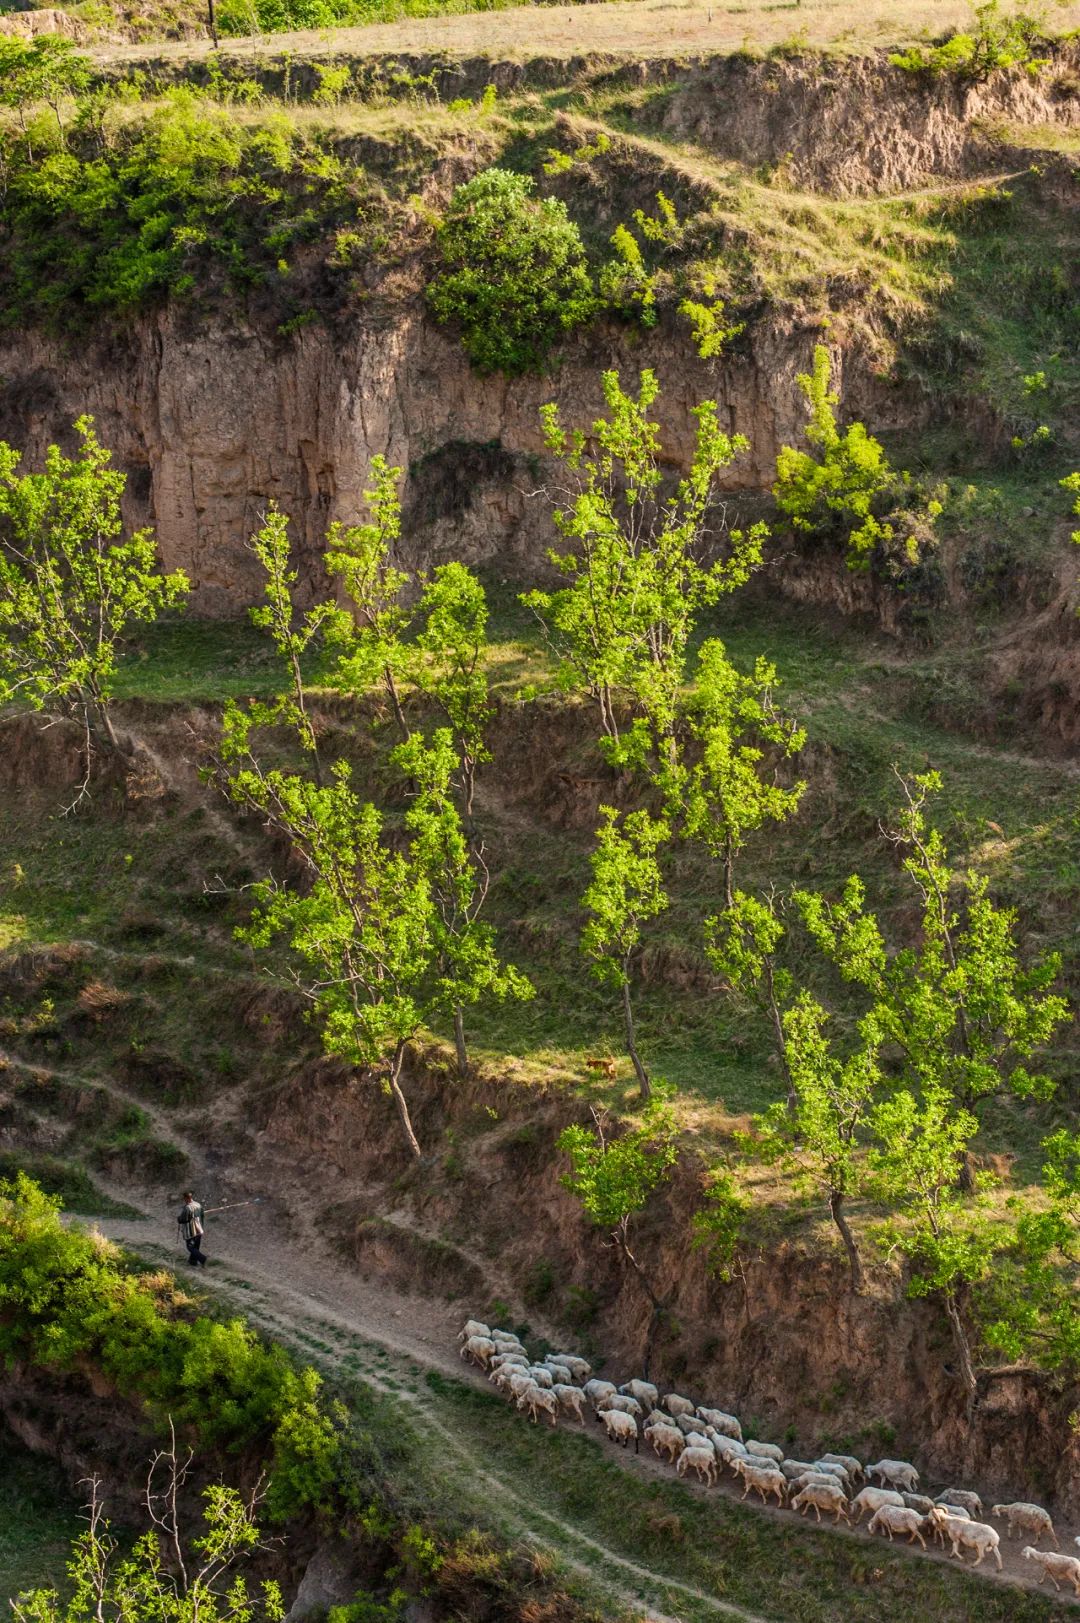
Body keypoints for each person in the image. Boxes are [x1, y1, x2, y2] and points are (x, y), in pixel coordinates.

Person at [178, 1190, 207, 1267]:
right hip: (199, 1230)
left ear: (187, 1198)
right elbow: (202, 1216)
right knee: (196, 1247)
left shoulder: (187, 1208)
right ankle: (193, 1261)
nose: (184, 1200)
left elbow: (183, 1219)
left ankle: (202, 1258)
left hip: (191, 1231)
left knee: (190, 1247)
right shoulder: (198, 1205)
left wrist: (179, 1219)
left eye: (184, 1199)